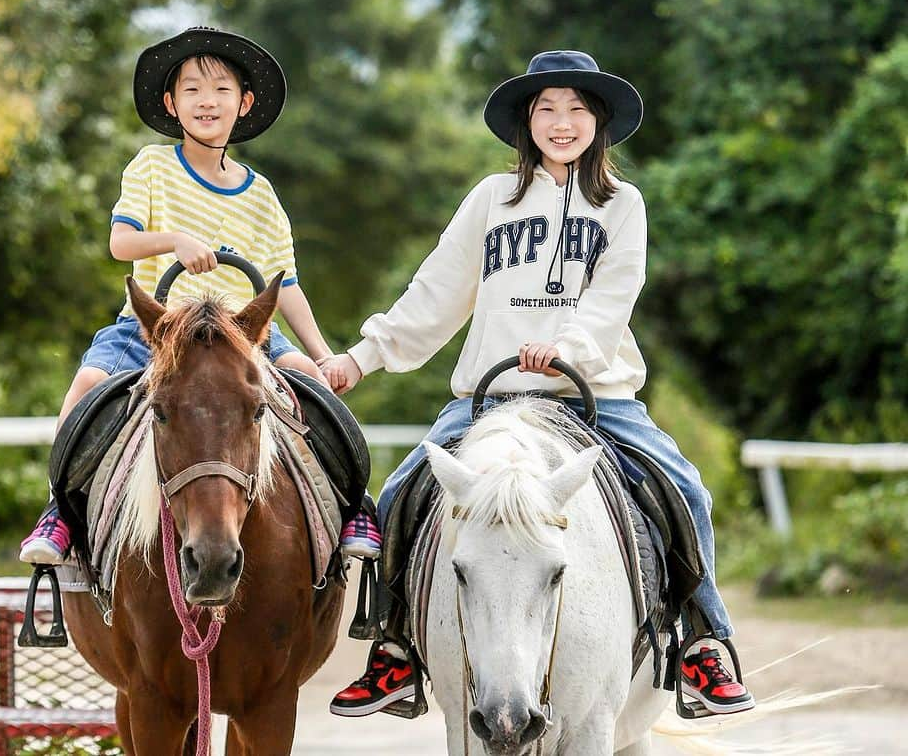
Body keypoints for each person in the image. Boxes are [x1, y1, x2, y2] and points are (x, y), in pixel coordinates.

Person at [322, 51, 754, 717]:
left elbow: (614, 298)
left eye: (578, 107)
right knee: (406, 488)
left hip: (596, 398)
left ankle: (703, 642)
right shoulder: (490, 199)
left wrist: (568, 350)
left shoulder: (621, 204)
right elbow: (435, 293)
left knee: (684, 487)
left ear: (600, 121)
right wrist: (363, 356)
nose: (562, 121)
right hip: (489, 398)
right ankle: (394, 647)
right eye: (547, 108)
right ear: (526, 122)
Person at [20, 26, 361, 564]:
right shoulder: (152, 167)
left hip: (245, 336)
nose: (207, 101)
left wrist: (322, 352)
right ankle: (59, 509)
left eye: (222, 89)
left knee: (318, 392)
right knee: (87, 384)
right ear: (171, 104)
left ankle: (350, 507)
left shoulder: (263, 195)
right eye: (192, 90)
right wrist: (174, 241)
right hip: (158, 328)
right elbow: (119, 242)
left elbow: (286, 284)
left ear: (243, 103)